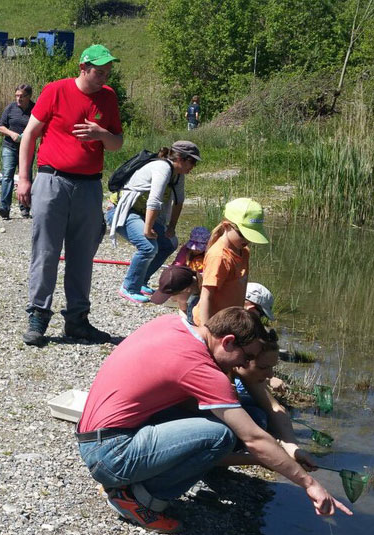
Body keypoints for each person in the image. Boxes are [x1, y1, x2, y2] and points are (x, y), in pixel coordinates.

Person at [77, 307, 351, 534]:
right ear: (229, 341)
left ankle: (132, 480)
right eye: (248, 356)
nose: (246, 364)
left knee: (245, 417)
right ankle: (140, 498)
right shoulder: (201, 368)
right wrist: (309, 484)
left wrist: (287, 448)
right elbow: (253, 439)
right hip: (111, 452)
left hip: (99, 436)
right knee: (222, 435)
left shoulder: (172, 324)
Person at [16, 44, 124, 346]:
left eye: (107, 72)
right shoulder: (56, 91)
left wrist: (101, 134)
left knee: (82, 256)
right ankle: (38, 316)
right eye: (99, 71)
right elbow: (30, 135)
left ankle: (77, 320)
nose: (103, 76)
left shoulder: (109, 97)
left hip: (89, 185)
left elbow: (117, 142)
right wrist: (24, 179)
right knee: (46, 251)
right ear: (83, 68)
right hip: (52, 180)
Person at [107, 141, 200, 304]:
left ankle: (141, 281)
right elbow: (154, 200)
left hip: (141, 215)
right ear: (179, 158)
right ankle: (129, 287)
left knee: (169, 243)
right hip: (121, 212)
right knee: (148, 246)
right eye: (191, 161)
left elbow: (179, 201)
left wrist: (171, 227)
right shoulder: (162, 168)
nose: (193, 166)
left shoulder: (178, 175)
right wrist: (148, 229)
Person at [226, 335, 317, 471]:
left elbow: (274, 408)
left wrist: (294, 450)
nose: (270, 375)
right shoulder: (216, 376)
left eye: (272, 367)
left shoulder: (243, 370)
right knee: (238, 428)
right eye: (263, 367)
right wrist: (267, 459)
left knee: (261, 416)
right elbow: (210, 454)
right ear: (241, 358)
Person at [192, 198, 269, 326]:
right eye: (243, 234)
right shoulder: (219, 257)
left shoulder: (243, 251)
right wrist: (206, 331)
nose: (247, 240)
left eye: (250, 235)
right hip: (212, 322)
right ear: (227, 226)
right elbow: (206, 296)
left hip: (228, 321)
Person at [0, 84, 35, 220]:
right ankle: (4, 208)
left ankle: (25, 208)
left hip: (27, 148)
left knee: (26, 177)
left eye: (22, 96)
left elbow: (41, 126)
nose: (18, 99)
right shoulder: (10, 108)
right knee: (7, 175)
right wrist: (11, 133)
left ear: (28, 97)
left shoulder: (35, 109)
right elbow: (0, 127)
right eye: (17, 95)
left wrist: (29, 134)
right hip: (10, 146)